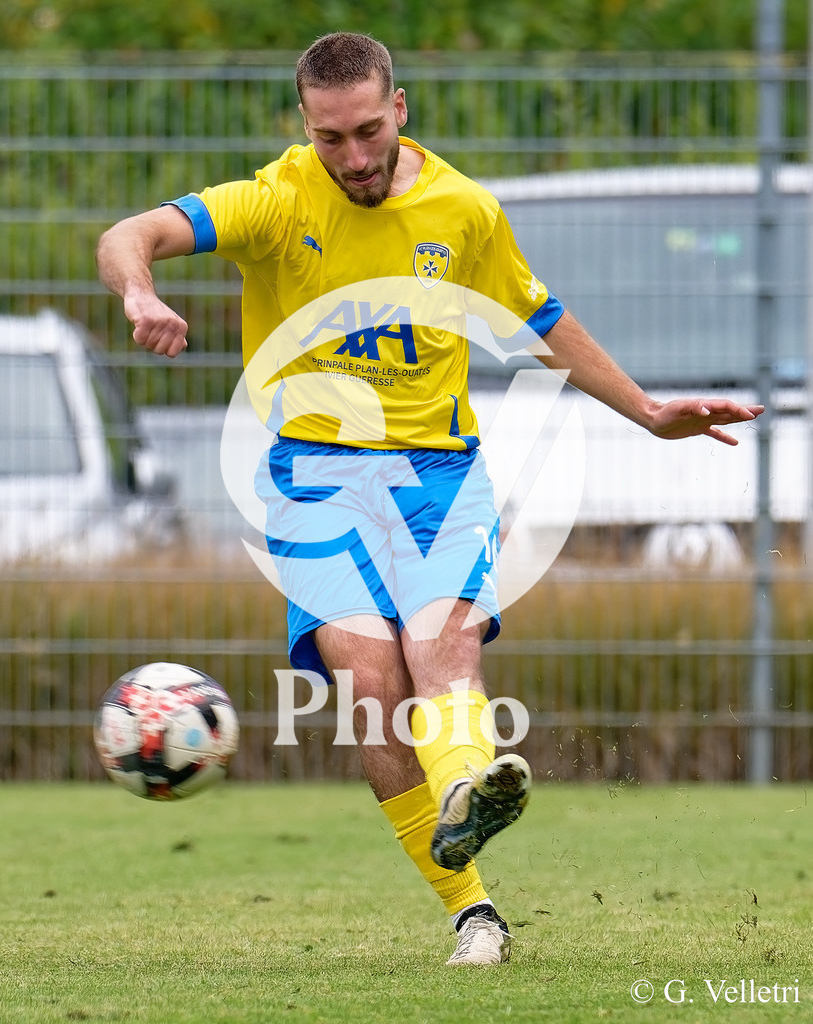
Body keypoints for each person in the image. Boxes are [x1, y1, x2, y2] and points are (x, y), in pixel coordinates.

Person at [96, 32, 763, 967]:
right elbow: (128, 235)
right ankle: (472, 909)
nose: (355, 158)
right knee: (372, 688)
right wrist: (139, 292)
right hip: (313, 484)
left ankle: (467, 797)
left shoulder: (464, 210)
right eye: (332, 140)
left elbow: (543, 323)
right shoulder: (274, 200)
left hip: (438, 479)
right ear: (306, 128)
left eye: (369, 131)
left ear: (398, 109)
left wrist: (648, 412)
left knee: (437, 650)